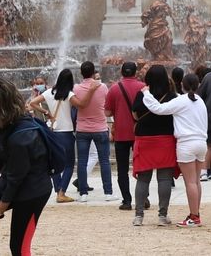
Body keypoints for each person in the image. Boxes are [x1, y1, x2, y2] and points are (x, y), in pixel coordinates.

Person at [0, 76, 57, 256]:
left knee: (18, 247)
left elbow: (15, 179)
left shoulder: (21, 137)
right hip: (13, 182)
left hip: (33, 191)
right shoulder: (5, 122)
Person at [141, 71, 209, 228]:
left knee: (190, 182)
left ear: (182, 85)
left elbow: (158, 108)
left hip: (187, 144)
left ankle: (194, 217)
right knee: (196, 181)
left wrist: (146, 93)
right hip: (201, 143)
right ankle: (195, 213)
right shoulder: (200, 101)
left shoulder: (181, 101)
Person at [131, 64, 177, 226]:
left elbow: (135, 115)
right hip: (165, 139)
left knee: (143, 179)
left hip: (145, 139)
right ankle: (162, 215)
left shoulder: (142, 94)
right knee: (164, 178)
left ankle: (138, 216)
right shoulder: (171, 96)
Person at [29, 69, 75, 202]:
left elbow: (32, 103)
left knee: (55, 162)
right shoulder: (70, 94)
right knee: (69, 164)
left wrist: (46, 112)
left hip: (53, 131)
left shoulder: (49, 92)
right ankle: (62, 192)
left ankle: (58, 189)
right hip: (67, 131)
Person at [70, 61, 113, 201]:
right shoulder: (102, 87)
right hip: (100, 128)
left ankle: (83, 194)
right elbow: (107, 105)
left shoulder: (76, 88)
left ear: (81, 73)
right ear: (94, 72)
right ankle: (108, 193)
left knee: (82, 161)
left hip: (82, 129)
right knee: (104, 161)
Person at [105, 60, 145, 210]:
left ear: (122, 72)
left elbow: (107, 112)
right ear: (136, 72)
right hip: (139, 132)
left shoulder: (114, 88)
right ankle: (143, 198)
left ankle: (127, 201)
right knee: (142, 167)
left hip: (121, 133)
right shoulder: (143, 87)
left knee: (122, 169)